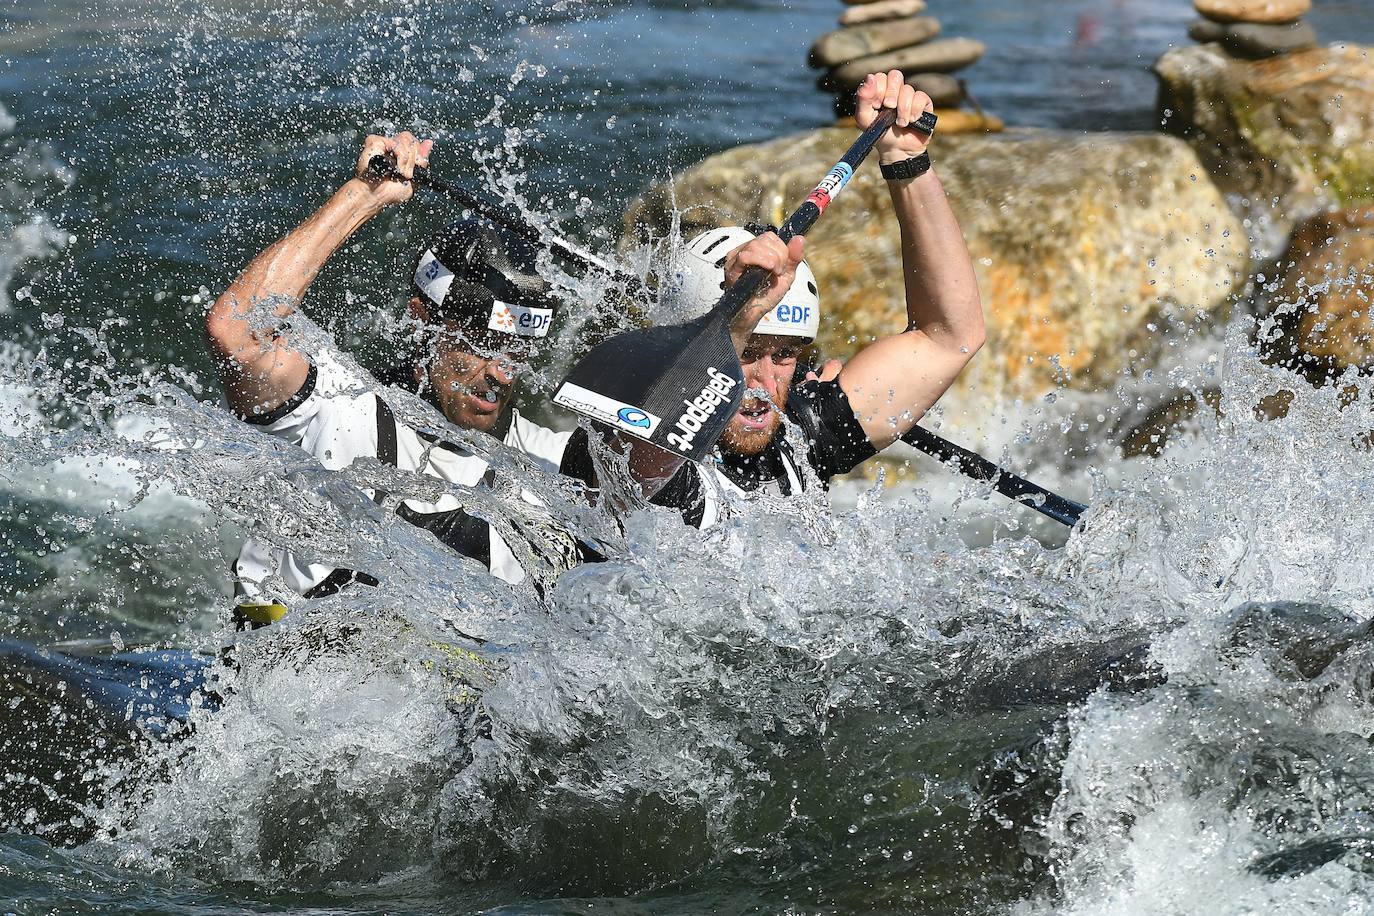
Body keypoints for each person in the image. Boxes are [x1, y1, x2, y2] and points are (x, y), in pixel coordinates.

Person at [205, 132, 612, 625]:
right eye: (480, 346)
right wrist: (362, 195)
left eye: (519, 351)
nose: (501, 373)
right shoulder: (341, 408)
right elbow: (237, 331)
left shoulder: (548, 463)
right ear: (422, 320)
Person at [650, 69, 985, 527]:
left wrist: (906, 159)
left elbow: (950, 336)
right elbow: (646, 441)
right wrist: (733, 321)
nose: (763, 385)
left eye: (784, 355)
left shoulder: (801, 434)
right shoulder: (631, 450)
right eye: (746, 352)